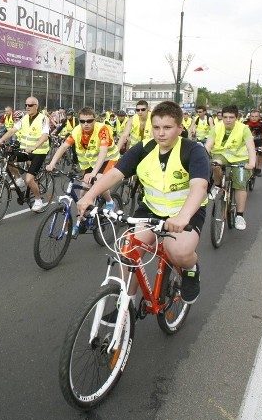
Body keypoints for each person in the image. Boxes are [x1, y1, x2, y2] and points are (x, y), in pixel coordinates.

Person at [77, 101, 209, 304]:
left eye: (167, 127)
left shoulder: (193, 150)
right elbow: (114, 173)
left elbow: (199, 186)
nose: (160, 133)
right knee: (128, 249)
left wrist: (182, 216)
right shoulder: (145, 148)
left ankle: (191, 270)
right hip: (152, 209)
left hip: (185, 212)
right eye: (156, 127)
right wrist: (89, 195)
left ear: (180, 128)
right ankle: (126, 305)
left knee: (179, 252)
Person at [45, 107, 119, 209]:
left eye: (89, 121)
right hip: (89, 162)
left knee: (98, 181)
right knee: (83, 194)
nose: (86, 124)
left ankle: (110, 201)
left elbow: (103, 152)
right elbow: (63, 147)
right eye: (82, 121)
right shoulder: (76, 131)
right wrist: (52, 163)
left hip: (107, 159)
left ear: (95, 120)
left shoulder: (102, 129)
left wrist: (93, 173)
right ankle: (81, 221)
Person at [204, 105, 256, 231]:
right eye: (225, 117)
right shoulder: (216, 127)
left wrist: (252, 163)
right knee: (215, 163)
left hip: (240, 159)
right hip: (222, 155)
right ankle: (217, 185)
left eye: (231, 117)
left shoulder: (244, 128)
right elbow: (208, 145)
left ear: (236, 118)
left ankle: (239, 216)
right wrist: (203, 159)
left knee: (240, 184)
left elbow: (250, 147)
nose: (227, 120)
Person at [0, 96, 50, 212]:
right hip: (26, 151)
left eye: (30, 105)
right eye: (26, 105)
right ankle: (18, 179)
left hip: (39, 152)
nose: (27, 107)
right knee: (8, 158)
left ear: (36, 106)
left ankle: (38, 200)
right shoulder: (24, 118)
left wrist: (34, 147)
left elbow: (45, 136)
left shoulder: (43, 118)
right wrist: (0, 140)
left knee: (29, 179)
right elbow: (12, 131)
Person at [244, 110, 262, 177]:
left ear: (259, 117)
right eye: (252, 116)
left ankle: (259, 168)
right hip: (247, 140)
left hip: (259, 140)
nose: (254, 118)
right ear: (249, 116)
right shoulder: (244, 122)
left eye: (256, 116)